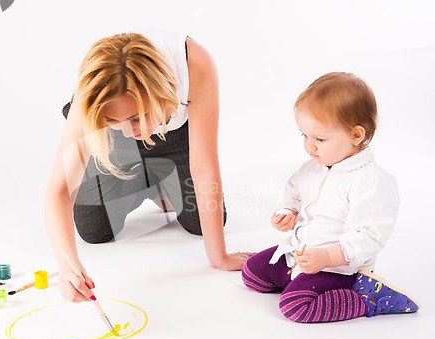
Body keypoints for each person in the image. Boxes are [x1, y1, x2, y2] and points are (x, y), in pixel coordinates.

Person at [45, 28, 252, 303]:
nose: (131, 132)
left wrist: (219, 257)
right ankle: (141, 175)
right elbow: (59, 191)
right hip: (109, 141)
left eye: (137, 117)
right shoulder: (93, 95)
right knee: (94, 230)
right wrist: (67, 266)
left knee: (201, 225)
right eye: (115, 119)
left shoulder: (194, 63)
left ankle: (157, 180)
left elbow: (203, 168)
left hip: (172, 132)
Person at [241, 72, 420, 322]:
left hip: (339, 267)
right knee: (252, 274)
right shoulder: (313, 166)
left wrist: (326, 257)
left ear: (356, 135)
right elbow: (293, 191)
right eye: (304, 136)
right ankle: (297, 279)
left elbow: (368, 236)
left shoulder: (372, 181)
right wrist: (288, 212)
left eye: (319, 138)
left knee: (295, 308)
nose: (309, 146)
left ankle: (367, 300)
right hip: (300, 252)